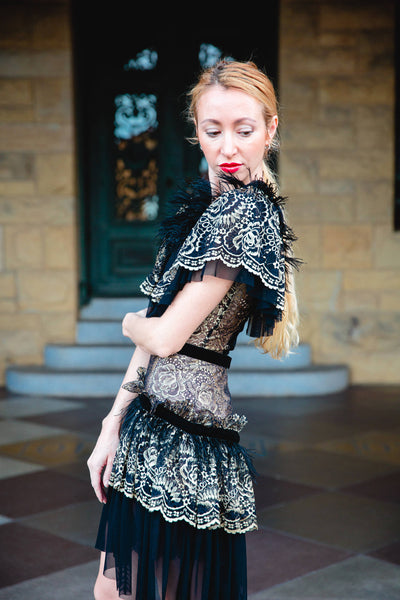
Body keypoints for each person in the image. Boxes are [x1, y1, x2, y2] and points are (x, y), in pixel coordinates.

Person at [88, 59, 301, 600]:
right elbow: (154, 343)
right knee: (118, 593)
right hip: (149, 427)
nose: (228, 147)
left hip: (189, 441)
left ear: (271, 129)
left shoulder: (246, 215)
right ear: (196, 133)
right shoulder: (206, 211)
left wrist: (127, 320)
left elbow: (162, 337)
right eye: (213, 131)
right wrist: (111, 425)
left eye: (244, 130)